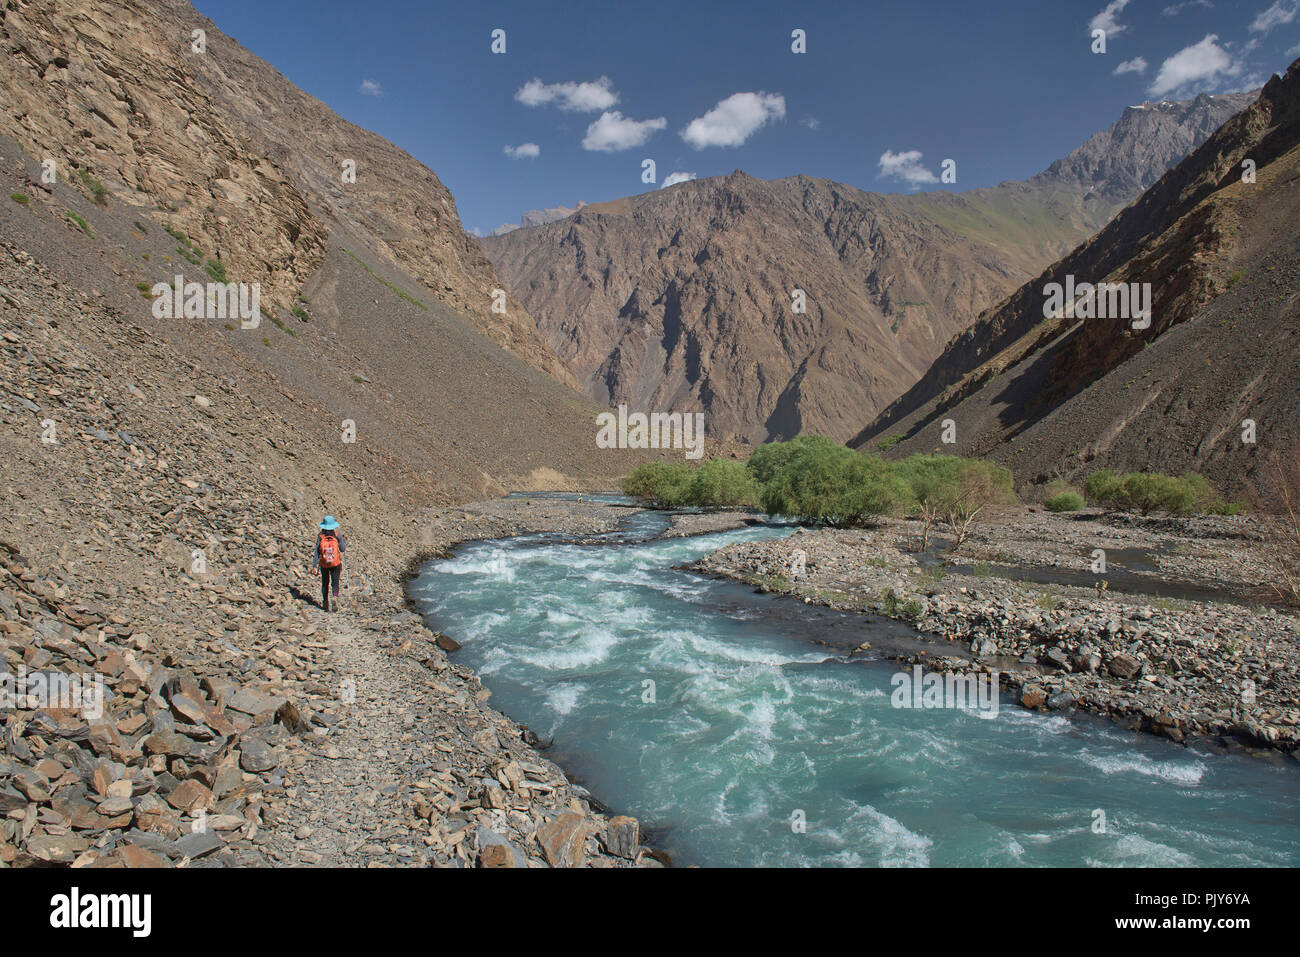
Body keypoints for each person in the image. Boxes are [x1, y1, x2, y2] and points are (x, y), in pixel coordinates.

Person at [312, 515, 347, 612]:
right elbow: (343, 549)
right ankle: (335, 597)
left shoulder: (321, 536)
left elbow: (317, 551)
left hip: (324, 563)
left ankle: (325, 602)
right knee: (335, 583)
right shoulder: (337, 535)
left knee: (325, 583)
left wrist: (314, 565)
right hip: (336, 563)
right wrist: (343, 540)